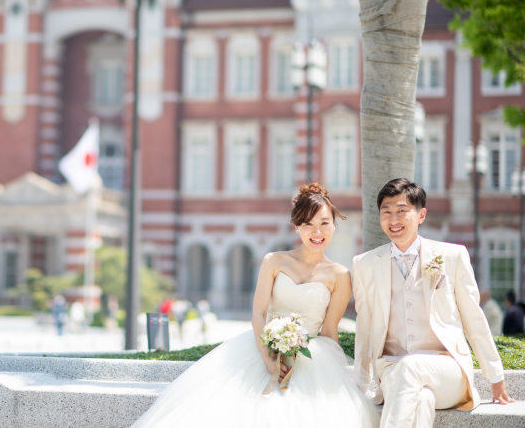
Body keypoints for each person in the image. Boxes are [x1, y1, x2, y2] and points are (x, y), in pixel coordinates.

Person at [131, 184, 379, 427]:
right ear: (296, 226)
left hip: (311, 358)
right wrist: (270, 361)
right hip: (261, 350)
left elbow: (329, 332)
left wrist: (332, 375)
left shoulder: (340, 275)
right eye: (308, 224)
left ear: (334, 224)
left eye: (324, 223)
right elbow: (258, 314)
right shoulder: (274, 261)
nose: (317, 232)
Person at [353, 178, 514, 428]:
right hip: (391, 369)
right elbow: (364, 328)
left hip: (447, 369)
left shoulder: (452, 256)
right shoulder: (364, 264)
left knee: (411, 366)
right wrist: (361, 383)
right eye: (386, 212)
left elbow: (473, 318)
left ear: (421, 215)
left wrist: (495, 376)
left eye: (402, 211)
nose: (393, 219)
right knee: (422, 399)